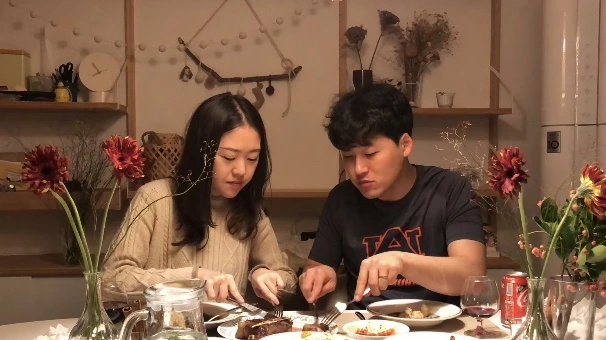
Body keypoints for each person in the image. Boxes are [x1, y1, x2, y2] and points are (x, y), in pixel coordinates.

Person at [299, 83, 486, 309]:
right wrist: (318, 275)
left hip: (439, 324)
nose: (358, 169)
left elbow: (472, 277)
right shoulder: (341, 199)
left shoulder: (448, 189)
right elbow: (317, 266)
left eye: (370, 154)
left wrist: (402, 261)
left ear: (405, 145)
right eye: (348, 157)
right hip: (364, 324)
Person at [101, 92, 297, 306]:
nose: (241, 170)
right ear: (200, 153)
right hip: (161, 327)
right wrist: (192, 278)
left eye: (252, 158)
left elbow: (287, 279)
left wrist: (262, 273)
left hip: (229, 328)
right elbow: (111, 280)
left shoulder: (249, 210)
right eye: (229, 157)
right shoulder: (154, 198)